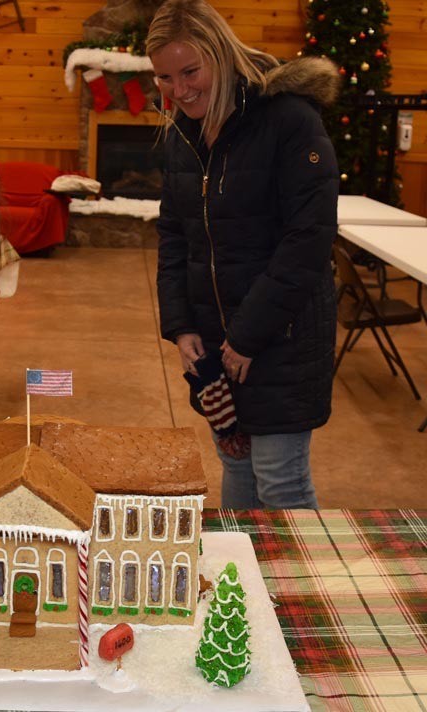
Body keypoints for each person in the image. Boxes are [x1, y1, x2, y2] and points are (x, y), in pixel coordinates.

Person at [147, 0, 340, 509]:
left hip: (281, 336)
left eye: (190, 72)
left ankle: (293, 570)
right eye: (165, 77)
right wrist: (181, 325)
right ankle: (241, 563)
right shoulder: (182, 134)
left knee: (280, 480)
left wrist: (248, 335)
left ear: (221, 54)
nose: (179, 90)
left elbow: (309, 240)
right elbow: (174, 235)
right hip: (216, 340)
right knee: (235, 463)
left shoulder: (289, 119)